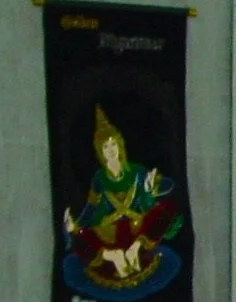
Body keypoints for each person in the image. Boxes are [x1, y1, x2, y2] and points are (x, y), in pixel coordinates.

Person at [63, 106, 181, 284]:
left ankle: (135, 249)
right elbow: (91, 209)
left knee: (169, 208)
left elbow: (149, 205)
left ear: (120, 145)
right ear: (100, 151)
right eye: (105, 146)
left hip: (136, 229)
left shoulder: (137, 171)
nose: (110, 150)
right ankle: (113, 256)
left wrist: (148, 191)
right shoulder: (99, 179)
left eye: (113, 144)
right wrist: (75, 227)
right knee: (79, 237)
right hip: (109, 232)